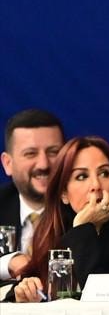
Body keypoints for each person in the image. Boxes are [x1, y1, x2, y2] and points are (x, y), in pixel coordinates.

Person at [10, 136, 109, 301]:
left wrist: (82, 227)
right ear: (64, 193)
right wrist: (25, 291)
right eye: (81, 176)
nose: (96, 185)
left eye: (104, 173)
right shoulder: (56, 227)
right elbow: (31, 284)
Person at [1, 109, 65, 282]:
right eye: (30, 153)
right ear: (8, 163)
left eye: (53, 152)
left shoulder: (82, 209)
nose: (43, 164)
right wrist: (8, 263)